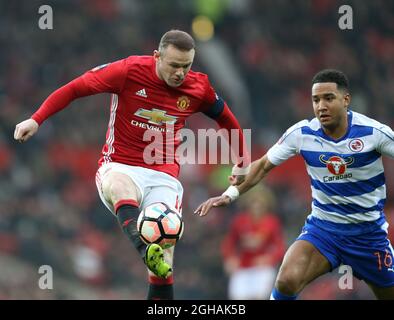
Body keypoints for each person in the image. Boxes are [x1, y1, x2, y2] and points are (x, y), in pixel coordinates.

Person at [14, 30, 250, 300]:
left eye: (186, 66)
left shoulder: (199, 87)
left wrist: (241, 160)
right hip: (119, 165)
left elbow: (227, 119)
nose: (180, 73)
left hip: (164, 176)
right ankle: (143, 247)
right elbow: (76, 88)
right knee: (119, 187)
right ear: (157, 56)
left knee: (165, 263)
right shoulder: (128, 71)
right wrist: (36, 119)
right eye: (173, 65)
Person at [195, 69, 394, 300]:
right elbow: (262, 166)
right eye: (316, 100)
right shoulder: (302, 133)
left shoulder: (374, 133)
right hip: (324, 231)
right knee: (286, 280)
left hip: (368, 235)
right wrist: (230, 194)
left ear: (346, 99)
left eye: (329, 98)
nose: (321, 106)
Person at [221, 184, 285, 299]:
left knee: (260, 296)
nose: (257, 207)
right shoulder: (240, 221)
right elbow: (229, 243)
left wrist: (270, 258)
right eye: (254, 203)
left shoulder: (271, 222)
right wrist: (229, 258)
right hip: (242, 266)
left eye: (260, 204)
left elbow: (280, 246)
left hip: (263, 268)